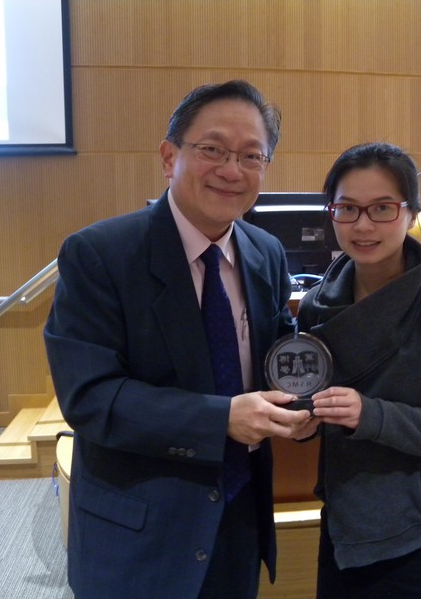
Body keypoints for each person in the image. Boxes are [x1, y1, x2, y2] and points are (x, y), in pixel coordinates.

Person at [43, 80, 311, 599]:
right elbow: (91, 398)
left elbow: (279, 357)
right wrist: (221, 419)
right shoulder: (100, 255)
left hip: (238, 518)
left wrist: (304, 407)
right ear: (170, 157)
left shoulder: (266, 254)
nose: (232, 170)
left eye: (251, 155)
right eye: (212, 150)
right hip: (140, 528)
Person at [294, 142, 421, 598]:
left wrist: (371, 415)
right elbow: (310, 403)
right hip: (345, 521)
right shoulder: (315, 307)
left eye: (382, 208)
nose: (363, 225)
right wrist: (300, 420)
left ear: (411, 213)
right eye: (347, 208)